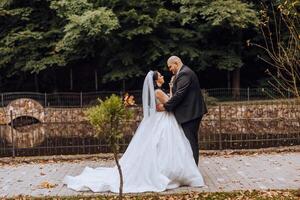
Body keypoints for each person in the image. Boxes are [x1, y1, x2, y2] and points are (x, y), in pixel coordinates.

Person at [63, 70, 205, 193]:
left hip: (159, 119)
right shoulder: (159, 92)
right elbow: (171, 103)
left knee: (159, 146)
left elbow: (160, 106)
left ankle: (168, 171)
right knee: (167, 146)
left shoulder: (155, 91)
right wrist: (172, 90)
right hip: (164, 120)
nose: (162, 76)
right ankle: (168, 172)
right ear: (156, 80)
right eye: (160, 75)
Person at [157, 56, 207, 165]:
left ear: (176, 63)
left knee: (190, 142)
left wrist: (165, 106)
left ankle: (194, 170)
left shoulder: (185, 73)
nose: (170, 69)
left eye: (170, 66)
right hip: (189, 113)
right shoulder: (182, 73)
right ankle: (191, 169)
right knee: (188, 141)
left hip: (191, 113)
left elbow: (179, 94)